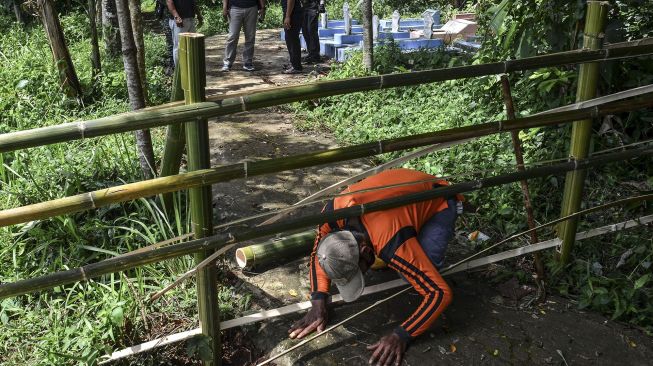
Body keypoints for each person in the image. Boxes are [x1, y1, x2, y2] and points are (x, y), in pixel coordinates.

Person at [289, 168, 463, 366]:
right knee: (397, 257)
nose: (359, 276)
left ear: (364, 251)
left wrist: (402, 335)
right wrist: (318, 300)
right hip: (403, 192)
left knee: (413, 276)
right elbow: (318, 254)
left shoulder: (392, 242)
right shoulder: (332, 213)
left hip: (439, 197)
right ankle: (411, 232)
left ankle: (425, 231)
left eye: (358, 272)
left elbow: (439, 293)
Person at [221, 0, 266, 72]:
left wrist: (263, 7)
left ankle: (248, 62)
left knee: (250, 37)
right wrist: (224, 7)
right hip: (235, 8)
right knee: (232, 36)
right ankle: (227, 62)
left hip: (252, 7)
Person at [166, 0, 203, 66]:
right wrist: (176, 16)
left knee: (192, 45)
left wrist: (198, 14)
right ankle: (179, 70)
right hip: (180, 21)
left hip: (190, 18)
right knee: (179, 47)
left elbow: (193, 2)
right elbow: (169, 2)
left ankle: (190, 68)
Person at [281, 0, 303, 74]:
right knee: (290, 39)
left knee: (292, 40)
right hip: (292, 14)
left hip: (293, 15)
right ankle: (293, 63)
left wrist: (287, 16)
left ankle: (296, 66)